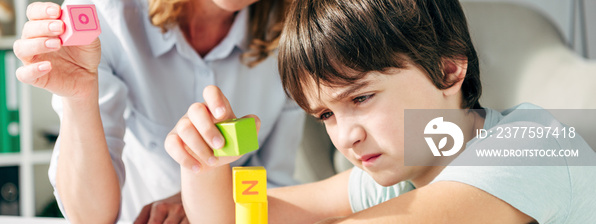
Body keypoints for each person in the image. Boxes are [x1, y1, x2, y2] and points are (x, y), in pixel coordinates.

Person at [167, 0, 596, 223]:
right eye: (325, 116)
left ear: (448, 69)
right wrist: (202, 164)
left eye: (360, 99)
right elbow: (242, 215)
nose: (345, 137)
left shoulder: (532, 149)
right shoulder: (399, 174)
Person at [13, 0, 304, 223]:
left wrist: (202, 200)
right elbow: (90, 218)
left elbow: (276, 184)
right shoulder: (105, 13)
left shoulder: (298, 34)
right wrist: (80, 98)